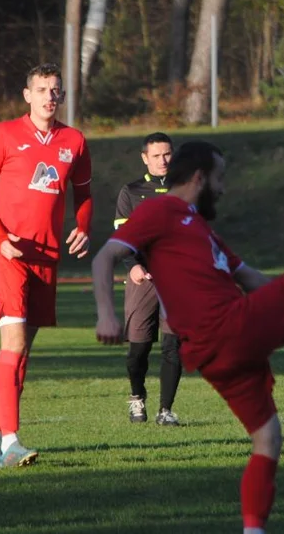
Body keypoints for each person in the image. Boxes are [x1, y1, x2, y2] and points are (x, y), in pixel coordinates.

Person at [92, 141, 284, 534]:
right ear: (200, 177)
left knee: (268, 439)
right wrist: (106, 313)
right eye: (219, 179)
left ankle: (253, 530)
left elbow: (252, 279)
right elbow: (104, 256)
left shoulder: (202, 230)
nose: (223, 189)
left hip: (218, 350)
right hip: (225, 327)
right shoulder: (160, 209)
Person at [0, 62, 93, 469]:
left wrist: (83, 225)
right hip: (7, 256)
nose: (49, 97)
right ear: (27, 95)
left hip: (47, 258)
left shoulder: (74, 140)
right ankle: (12, 441)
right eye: (41, 90)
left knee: (22, 354)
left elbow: (85, 192)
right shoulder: (4, 133)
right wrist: (1, 240)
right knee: (14, 345)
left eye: (55, 90)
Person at [114, 132, 183, 425]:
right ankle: (137, 398)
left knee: (173, 345)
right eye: (156, 156)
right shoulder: (131, 192)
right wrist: (133, 265)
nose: (163, 160)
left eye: (167, 154)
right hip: (143, 279)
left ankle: (165, 410)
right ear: (145, 158)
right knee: (139, 347)